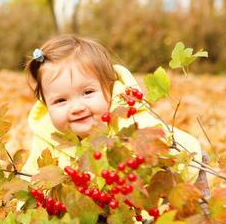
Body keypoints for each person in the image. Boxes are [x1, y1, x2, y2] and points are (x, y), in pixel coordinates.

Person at [21, 34, 203, 181]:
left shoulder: (131, 124)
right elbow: (31, 182)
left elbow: (172, 156)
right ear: (46, 105)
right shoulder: (46, 137)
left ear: (110, 89)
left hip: (182, 177)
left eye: (87, 92)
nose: (76, 107)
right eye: (60, 101)